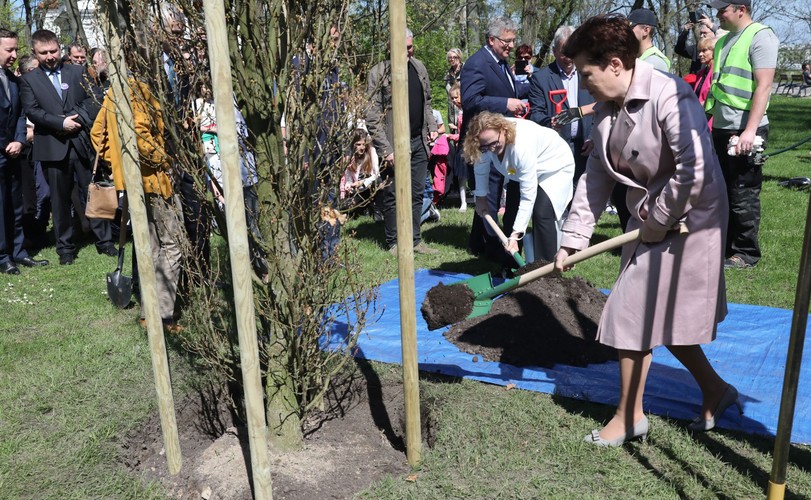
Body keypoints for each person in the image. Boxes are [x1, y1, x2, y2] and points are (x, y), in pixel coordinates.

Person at [555, 15, 735, 447]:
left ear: (615, 64)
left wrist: (657, 222)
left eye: (587, 74)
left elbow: (695, 170)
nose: (584, 85)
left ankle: (628, 416)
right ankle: (716, 390)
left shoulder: (672, 95)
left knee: (631, 313)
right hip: (653, 220)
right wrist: (572, 240)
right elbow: (594, 180)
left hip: (693, 219)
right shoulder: (604, 114)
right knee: (657, 319)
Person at [91, 76, 184, 333]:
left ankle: (149, 313)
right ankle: (162, 316)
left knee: (153, 246)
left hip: (135, 183)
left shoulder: (116, 89)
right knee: (172, 245)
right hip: (154, 182)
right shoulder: (139, 88)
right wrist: (166, 161)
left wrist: (119, 165)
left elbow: (98, 133)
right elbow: (140, 136)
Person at [20, 29, 112, 265]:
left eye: (54, 51)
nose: (50, 56)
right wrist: (60, 122)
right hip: (52, 147)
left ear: (59, 49)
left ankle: (105, 241)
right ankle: (65, 248)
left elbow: (95, 98)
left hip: (81, 143)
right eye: (44, 53)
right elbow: (32, 110)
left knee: (93, 192)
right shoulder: (29, 80)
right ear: (35, 53)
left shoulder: (77, 71)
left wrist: (76, 118)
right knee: (59, 202)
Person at [705, 0, 778, 269]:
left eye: (722, 9)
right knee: (720, 191)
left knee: (742, 192)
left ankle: (745, 253)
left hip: (746, 129)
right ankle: (723, 248)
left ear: (740, 9)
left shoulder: (761, 36)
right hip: (722, 128)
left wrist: (749, 130)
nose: (717, 14)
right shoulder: (724, 41)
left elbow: (764, 86)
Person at [460, 16, 529, 266]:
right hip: (483, 142)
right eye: (506, 41)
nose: (511, 46)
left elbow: (506, 91)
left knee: (490, 191)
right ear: (491, 39)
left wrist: (525, 91)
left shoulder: (501, 63)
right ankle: (496, 250)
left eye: (512, 40)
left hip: (501, 139)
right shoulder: (476, 64)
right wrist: (505, 104)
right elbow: (471, 100)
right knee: (488, 194)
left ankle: (477, 242)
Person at [365, 27, 439, 255]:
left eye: (410, 47)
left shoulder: (419, 68)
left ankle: (415, 240)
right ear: (390, 47)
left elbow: (426, 102)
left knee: (417, 192)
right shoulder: (378, 73)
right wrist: (386, 149)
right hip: (392, 145)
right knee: (392, 193)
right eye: (403, 48)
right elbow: (371, 114)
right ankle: (394, 242)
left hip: (418, 141)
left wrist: (432, 128)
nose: (408, 52)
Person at [465, 112, 574, 263]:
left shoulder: (521, 146)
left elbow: (528, 196)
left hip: (554, 166)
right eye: (485, 147)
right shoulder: (484, 141)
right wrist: (481, 198)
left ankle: (547, 272)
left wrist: (516, 235)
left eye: (493, 143)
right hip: (520, 170)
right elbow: (481, 167)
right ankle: (511, 267)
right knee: (511, 213)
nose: (491, 149)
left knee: (541, 213)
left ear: (504, 130)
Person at [0, 29, 49, 274]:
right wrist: (5, 144)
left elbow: (20, 114)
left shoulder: (13, 80)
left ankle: (18, 252)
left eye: (15, 49)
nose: (14, 54)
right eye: (9, 49)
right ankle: (2, 256)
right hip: (2, 152)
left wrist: (19, 140)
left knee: (16, 205)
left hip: (14, 152)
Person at [529, 25, 595, 187]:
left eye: (573, 52)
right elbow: (535, 113)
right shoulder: (541, 78)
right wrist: (549, 121)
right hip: (556, 148)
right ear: (554, 51)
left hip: (585, 146)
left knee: (581, 195)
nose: (569, 58)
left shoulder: (588, 73)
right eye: (564, 52)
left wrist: (593, 136)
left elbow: (600, 108)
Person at [340, 128, 380, 217]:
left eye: (363, 144)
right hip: (357, 190)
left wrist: (363, 182)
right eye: (358, 144)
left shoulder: (371, 152)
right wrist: (348, 185)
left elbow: (377, 175)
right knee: (346, 207)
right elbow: (349, 176)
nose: (362, 148)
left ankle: (375, 210)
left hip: (369, 186)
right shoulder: (350, 157)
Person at [692, 36, 717, 128]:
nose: (700, 54)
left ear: (714, 52)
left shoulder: (716, 71)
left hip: (711, 121)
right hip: (699, 118)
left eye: (704, 50)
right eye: (699, 51)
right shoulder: (700, 73)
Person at [444, 48, 464, 135]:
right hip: (452, 110)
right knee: (453, 135)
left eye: (454, 57)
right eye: (450, 57)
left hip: (463, 108)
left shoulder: (466, 71)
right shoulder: (448, 75)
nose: (452, 59)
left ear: (459, 58)